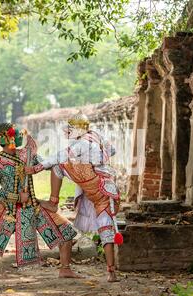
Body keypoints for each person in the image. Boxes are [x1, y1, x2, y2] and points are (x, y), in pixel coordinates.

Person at [0, 123, 82, 283]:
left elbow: (49, 166)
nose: (21, 136)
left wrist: (53, 194)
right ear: (7, 138)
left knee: (67, 232)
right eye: (17, 134)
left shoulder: (28, 155)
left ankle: (65, 269)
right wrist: (17, 197)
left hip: (33, 206)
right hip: (6, 208)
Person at [25, 113, 123, 282]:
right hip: (107, 188)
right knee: (106, 230)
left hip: (93, 183)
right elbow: (111, 151)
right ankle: (111, 272)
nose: (68, 132)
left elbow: (59, 157)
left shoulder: (82, 144)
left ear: (79, 129)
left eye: (71, 129)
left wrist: (36, 168)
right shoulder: (96, 136)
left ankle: (52, 202)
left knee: (57, 166)